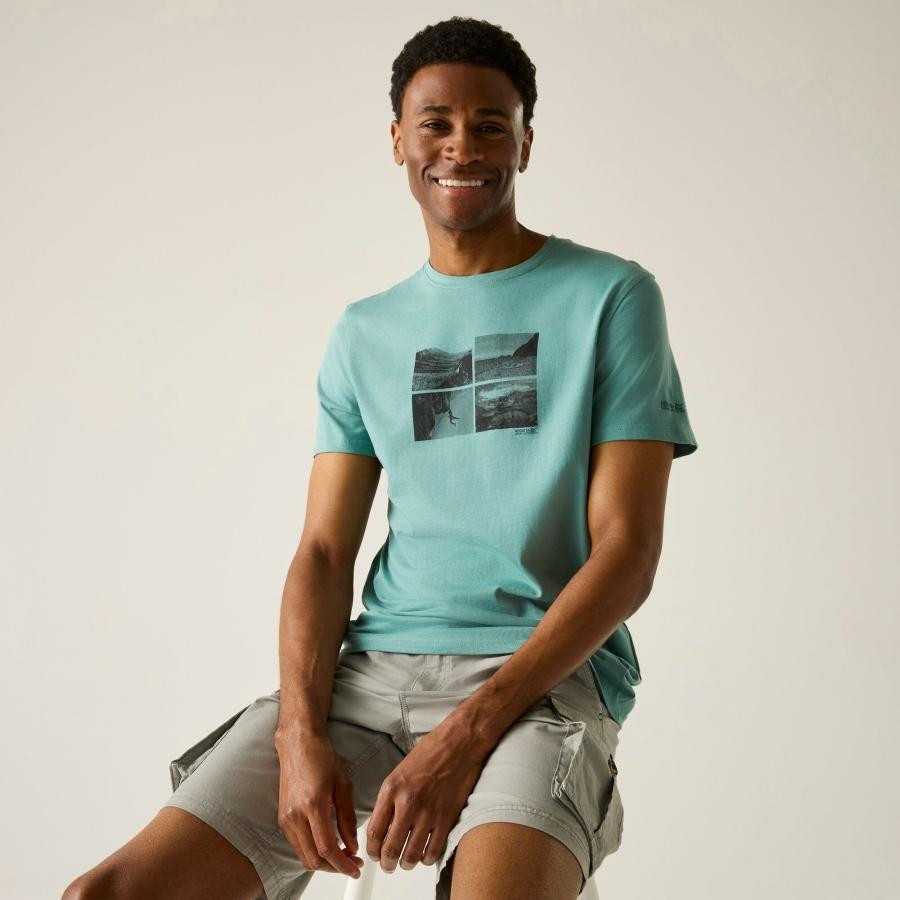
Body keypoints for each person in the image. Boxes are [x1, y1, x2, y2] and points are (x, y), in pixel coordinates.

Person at [62, 15, 698, 900]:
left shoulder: (612, 296)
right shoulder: (365, 332)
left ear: (526, 142)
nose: (461, 145)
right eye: (436, 122)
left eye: (490, 124)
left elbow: (628, 552)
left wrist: (468, 733)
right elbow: (324, 552)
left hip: (538, 681)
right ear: (398, 139)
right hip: (371, 676)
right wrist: (297, 736)